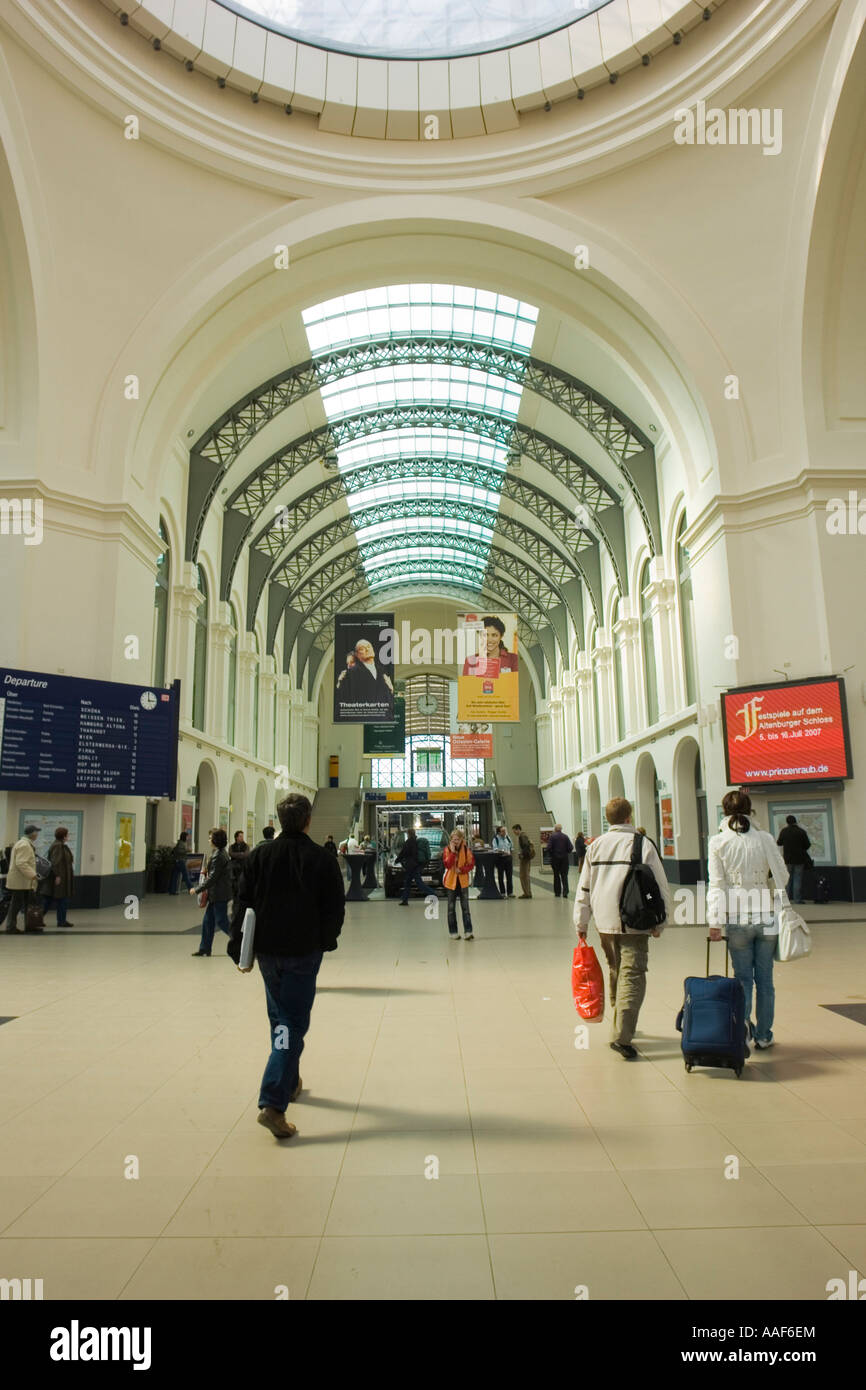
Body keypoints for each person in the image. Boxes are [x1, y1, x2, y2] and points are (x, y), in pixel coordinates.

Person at [227, 793, 345, 1139]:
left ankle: (289, 1080)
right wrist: (327, 938)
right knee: (292, 1023)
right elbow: (334, 907)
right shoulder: (320, 859)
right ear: (308, 821)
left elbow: (243, 901)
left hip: (268, 952)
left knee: (279, 1017)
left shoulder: (260, 855)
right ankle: (273, 1103)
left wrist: (238, 943)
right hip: (303, 952)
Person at [575, 797, 672, 1059]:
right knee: (633, 973)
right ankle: (621, 1035)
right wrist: (661, 921)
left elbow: (584, 887)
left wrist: (581, 921)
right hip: (635, 920)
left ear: (609, 819)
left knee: (616, 969)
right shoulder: (642, 844)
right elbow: (660, 886)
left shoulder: (595, 846)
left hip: (604, 922)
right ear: (629, 817)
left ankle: (621, 1024)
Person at [709, 791, 791, 1051]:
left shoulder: (718, 842)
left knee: (743, 979)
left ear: (724, 811)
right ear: (749, 809)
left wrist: (714, 921)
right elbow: (784, 876)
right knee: (766, 980)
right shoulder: (765, 839)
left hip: (737, 918)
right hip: (766, 917)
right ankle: (765, 1035)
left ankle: (743, 1032)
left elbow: (717, 884)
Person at [189, 828, 233, 956]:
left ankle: (241, 941)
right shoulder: (219, 853)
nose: (209, 840)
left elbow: (213, 878)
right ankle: (204, 948)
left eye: (210, 838)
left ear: (216, 840)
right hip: (217, 894)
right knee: (208, 922)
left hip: (219, 894)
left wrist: (197, 889)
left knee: (221, 921)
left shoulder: (218, 856)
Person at [335, 639, 394, 709]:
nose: (367, 649)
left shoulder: (383, 671)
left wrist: (391, 690)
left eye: (369, 646)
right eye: (362, 648)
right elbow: (342, 702)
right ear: (357, 655)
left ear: (373, 649)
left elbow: (390, 703)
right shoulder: (350, 674)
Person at [5, 825, 42, 934]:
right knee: (16, 904)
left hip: (23, 881)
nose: (37, 834)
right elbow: (21, 863)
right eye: (37, 832)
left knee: (28, 904)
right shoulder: (24, 845)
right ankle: (11, 927)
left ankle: (29, 925)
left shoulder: (24, 843)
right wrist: (34, 875)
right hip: (20, 881)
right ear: (33, 833)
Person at [442, 829, 475, 940]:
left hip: (463, 882)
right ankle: (453, 932)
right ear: (451, 840)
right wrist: (452, 852)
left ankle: (468, 931)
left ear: (462, 839)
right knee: (451, 909)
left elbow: (471, 864)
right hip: (451, 883)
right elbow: (447, 864)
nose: (455, 841)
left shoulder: (466, 850)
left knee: (465, 908)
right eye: (453, 839)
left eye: (458, 839)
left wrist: (462, 870)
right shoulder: (447, 850)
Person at [44, 826, 75, 928]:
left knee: (53, 899)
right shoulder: (58, 846)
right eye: (67, 834)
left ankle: (61, 920)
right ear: (64, 836)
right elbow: (55, 862)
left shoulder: (60, 845)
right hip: (59, 879)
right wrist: (57, 875)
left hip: (62, 878)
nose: (68, 836)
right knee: (61, 899)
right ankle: (61, 921)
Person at [776, 815, 811, 904]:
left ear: (787, 822)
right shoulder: (801, 832)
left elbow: (779, 843)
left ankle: (786, 899)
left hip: (787, 859)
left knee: (787, 879)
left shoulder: (784, 831)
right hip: (799, 859)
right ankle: (797, 899)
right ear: (795, 821)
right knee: (797, 879)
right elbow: (807, 845)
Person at [396, 828, 427, 905]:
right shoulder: (415, 841)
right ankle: (404, 900)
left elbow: (403, 852)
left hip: (411, 866)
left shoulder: (409, 842)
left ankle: (433, 894)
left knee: (419, 883)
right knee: (408, 883)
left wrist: (397, 860)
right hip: (414, 865)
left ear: (408, 834)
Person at [547, 824, 574, 898]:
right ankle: (565, 892)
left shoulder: (552, 837)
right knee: (564, 876)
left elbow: (548, 848)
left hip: (555, 859)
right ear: (561, 829)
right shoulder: (565, 836)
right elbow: (571, 847)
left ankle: (557, 892)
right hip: (564, 859)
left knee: (556, 875)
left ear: (555, 829)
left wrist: (552, 853)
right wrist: (565, 852)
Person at [492, 825, 514, 897]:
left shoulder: (508, 838)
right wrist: (502, 852)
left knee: (509, 876)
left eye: (505, 831)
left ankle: (510, 892)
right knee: (500, 876)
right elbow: (495, 849)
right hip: (500, 859)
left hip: (508, 859)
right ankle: (502, 892)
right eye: (503, 831)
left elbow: (511, 847)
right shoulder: (496, 839)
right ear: (499, 832)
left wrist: (511, 855)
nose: (504, 832)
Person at [229, 830, 250, 902]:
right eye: (240, 836)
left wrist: (237, 855)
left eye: (242, 836)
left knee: (242, 883)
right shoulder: (232, 846)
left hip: (242, 867)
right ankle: (235, 898)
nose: (242, 838)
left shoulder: (246, 846)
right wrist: (241, 854)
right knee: (234, 884)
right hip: (234, 869)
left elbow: (246, 854)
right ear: (236, 837)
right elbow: (231, 854)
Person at [169, 830, 193, 894]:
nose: (188, 838)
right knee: (185, 875)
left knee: (175, 876)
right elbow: (180, 851)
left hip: (177, 861)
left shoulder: (180, 843)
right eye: (187, 837)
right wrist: (187, 850)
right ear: (184, 837)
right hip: (180, 861)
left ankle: (172, 891)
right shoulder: (181, 843)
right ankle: (191, 889)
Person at [513, 823, 533, 899]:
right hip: (527, 858)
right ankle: (528, 892)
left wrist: (522, 854)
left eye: (514, 831)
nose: (514, 833)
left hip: (524, 859)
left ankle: (526, 893)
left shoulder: (522, 836)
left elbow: (525, 847)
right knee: (526, 875)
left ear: (518, 829)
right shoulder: (524, 835)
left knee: (523, 876)